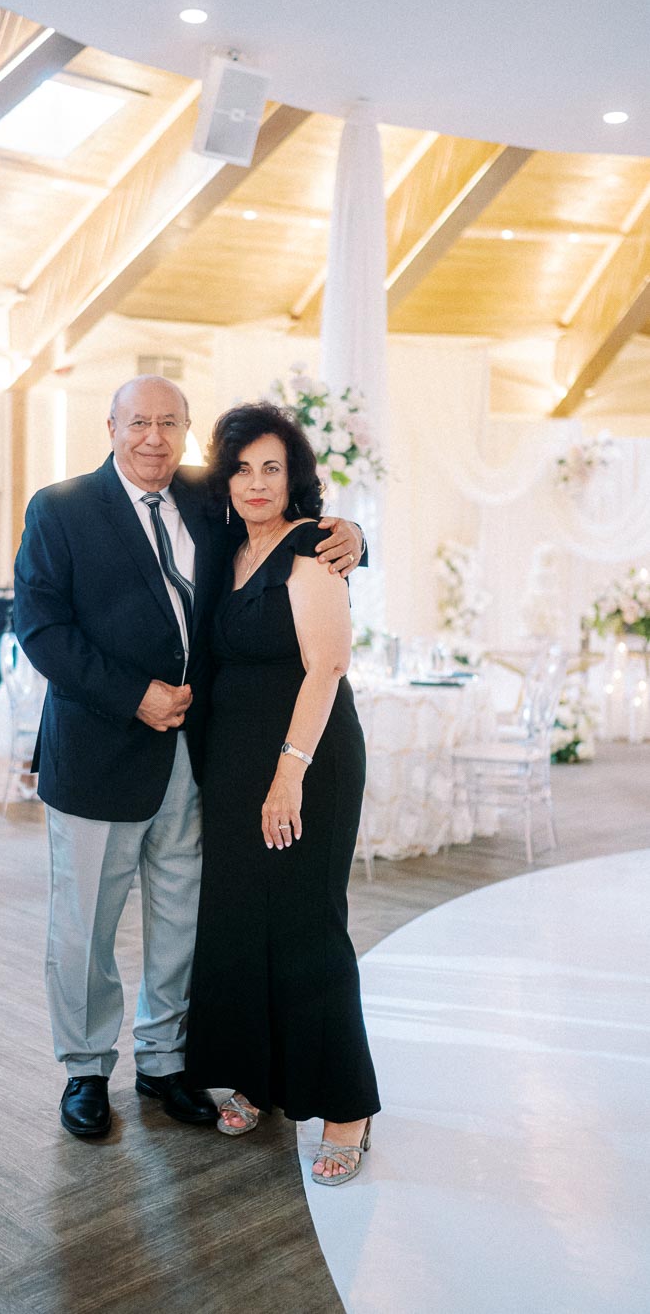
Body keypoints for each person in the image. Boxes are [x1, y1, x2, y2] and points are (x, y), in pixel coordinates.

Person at [13, 376, 366, 1139]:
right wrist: (131, 694)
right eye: (138, 421)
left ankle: (164, 1059)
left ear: (188, 434)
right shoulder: (60, 507)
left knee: (182, 918)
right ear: (110, 425)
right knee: (85, 926)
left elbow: (290, 512)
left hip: (197, 753)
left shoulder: (209, 494)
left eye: (170, 424)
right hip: (101, 749)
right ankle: (83, 1066)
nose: (153, 438)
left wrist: (357, 538)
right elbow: (39, 629)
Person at [184, 403, 380, 1185]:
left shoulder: (312, 554)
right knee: (237, 922)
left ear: (294, 477)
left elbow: (326, 667)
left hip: (307, 763)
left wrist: (288, 773)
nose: (256, 483)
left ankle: (346, 1108)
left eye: (272, 467)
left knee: (305, 926)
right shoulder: (227, 543)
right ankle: (258, 1079)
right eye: (241, 468)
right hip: (234, 766)